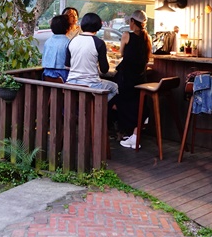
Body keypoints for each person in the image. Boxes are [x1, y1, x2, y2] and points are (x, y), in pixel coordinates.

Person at [113, 10, 152, 149]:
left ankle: (126, 133)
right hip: (141, 78)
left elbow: (121, 53)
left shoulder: (126, 35)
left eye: (130, 21)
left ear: (133, 22)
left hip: (126, 78)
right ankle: (134, 135)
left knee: (117, 102)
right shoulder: (147, 37)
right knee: (138, 106)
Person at [65, 12, 119, 98]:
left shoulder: (72, 41)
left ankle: (91, 108)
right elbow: (104, 69)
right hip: (91, 85)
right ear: (98, 26)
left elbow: (67, 66)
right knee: (114, 88)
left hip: (71, 83)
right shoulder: (99, 43)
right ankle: (96, 108)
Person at [41, 14, 70, 82]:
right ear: (67, 28)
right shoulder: (68, 42)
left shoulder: (47, 42)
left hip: (46, 74)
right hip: (63, 75)